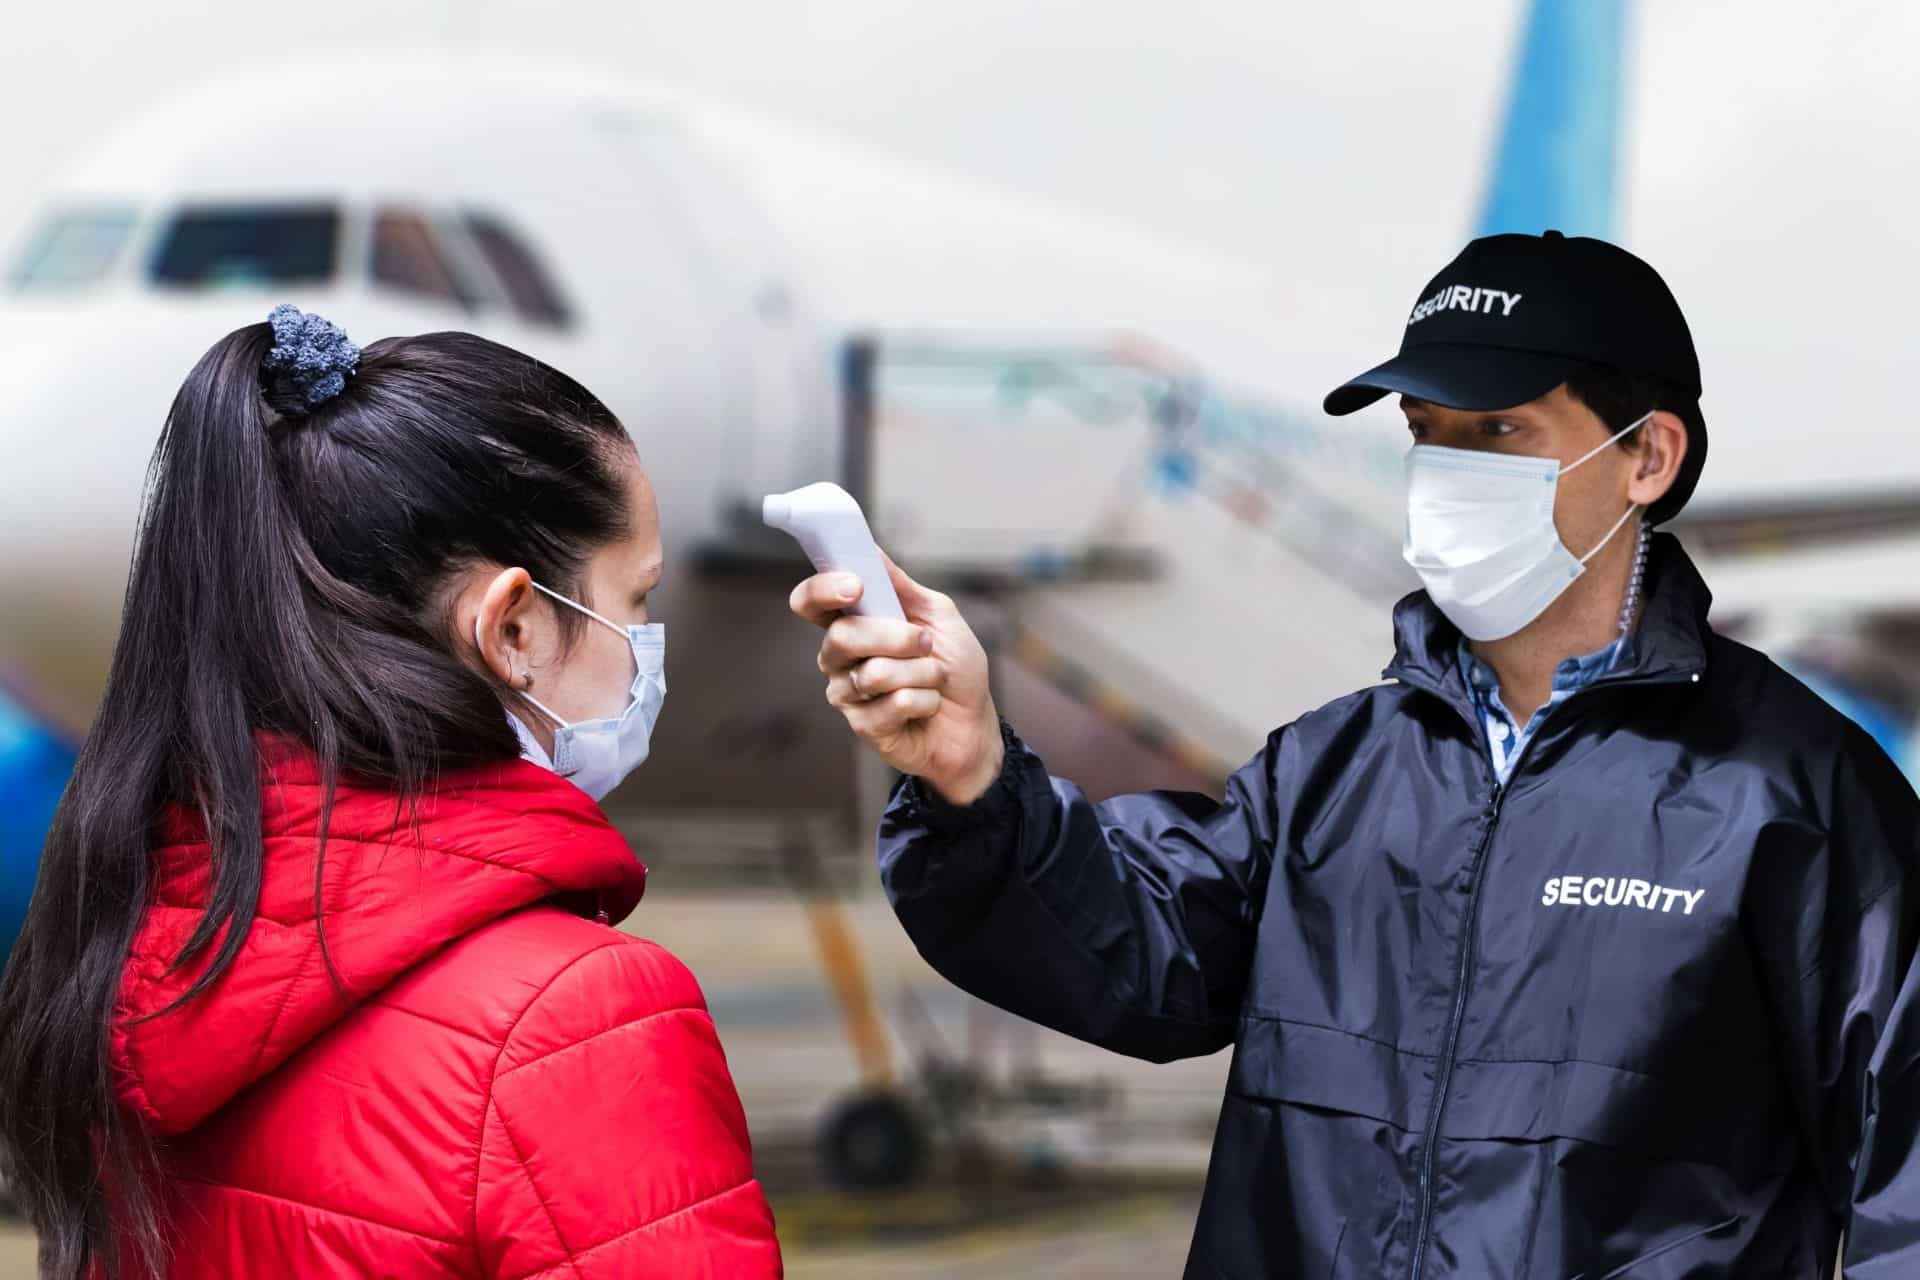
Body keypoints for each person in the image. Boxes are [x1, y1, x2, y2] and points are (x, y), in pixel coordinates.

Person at [789, 232, 1920, 1277]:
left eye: (1500, 432)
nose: (1448, 473)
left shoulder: (1798, 794)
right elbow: (1133, 956)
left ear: (1648, 458)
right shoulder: (1327, 772)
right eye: (1428, 434)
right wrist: (974, 775)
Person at [0, 306, 782, 1278]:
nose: (645, 646)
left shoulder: (130, 952)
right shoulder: (576, 1013)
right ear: (514, 628)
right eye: (636, 599)